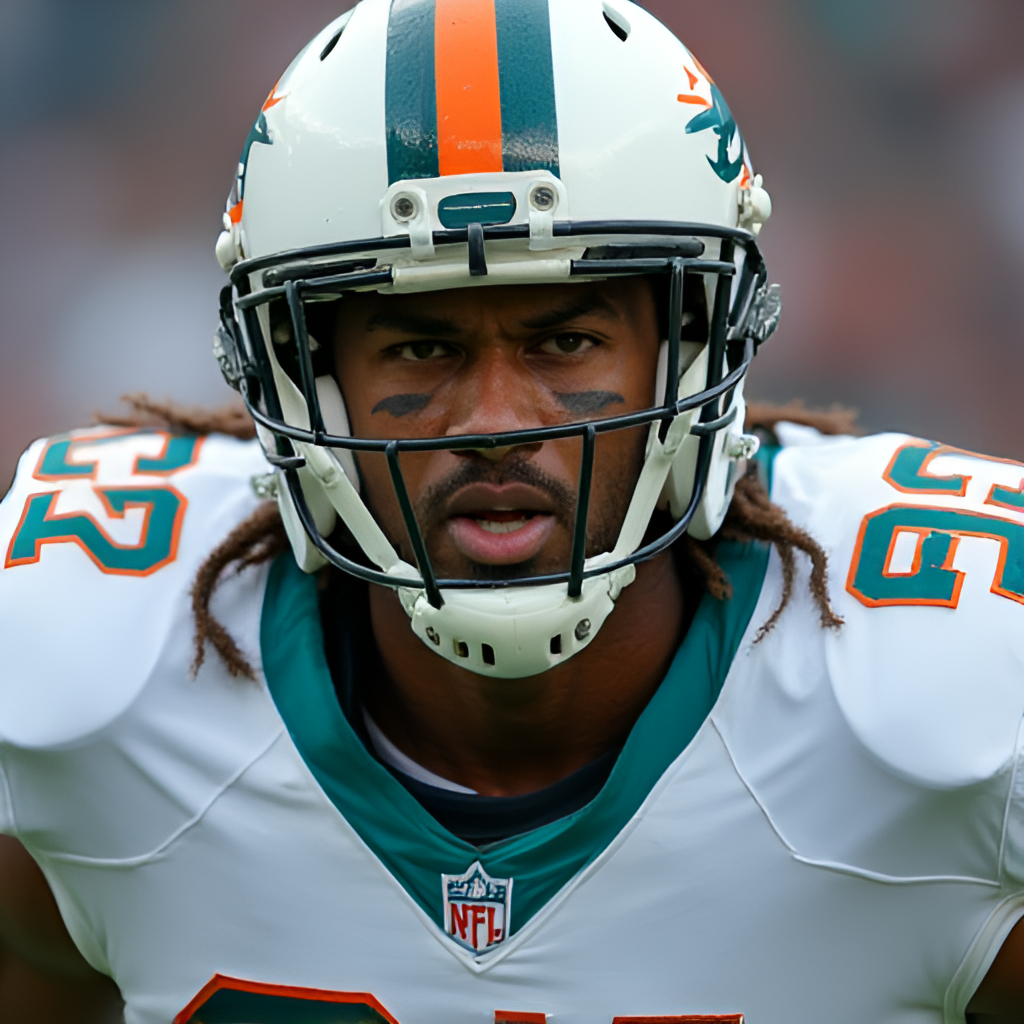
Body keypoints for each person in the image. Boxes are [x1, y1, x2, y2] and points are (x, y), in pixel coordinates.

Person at [1, 1, 1022, 1022]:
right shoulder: (91, 671)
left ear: (693, 349)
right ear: (304, 380)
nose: (495, 421)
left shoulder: (936, 692)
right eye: (420, 346)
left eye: (565, 339)